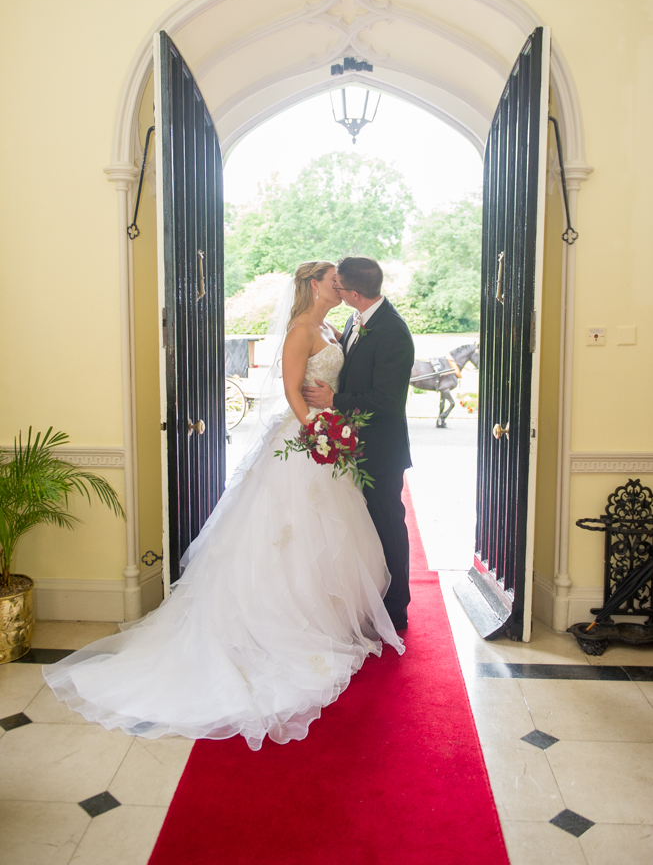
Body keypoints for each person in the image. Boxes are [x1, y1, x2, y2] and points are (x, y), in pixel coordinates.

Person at [43, 261, 404, 751]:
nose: (339, 286)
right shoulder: (301, 329)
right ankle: (280, 620)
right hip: (307, 440)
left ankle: (334, 614)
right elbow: (292, 389)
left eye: (344, 282)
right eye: (333, 280)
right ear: (315, 285)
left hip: (331, 441)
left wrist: (331, 418)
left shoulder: (332, 325)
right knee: (290, 531)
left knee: (330, 532)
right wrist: (317, 428)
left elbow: (352, 385)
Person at [303, 257, 414, 630]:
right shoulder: (354, 319)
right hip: (351, 445)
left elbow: (385, 399)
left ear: (353, 293)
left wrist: (335, 402)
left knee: (388, 524)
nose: (337, 290)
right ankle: (369, 599)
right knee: (364, 529)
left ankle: (396, 608)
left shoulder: (393, 332)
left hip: (381, 450)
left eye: (340, 286)